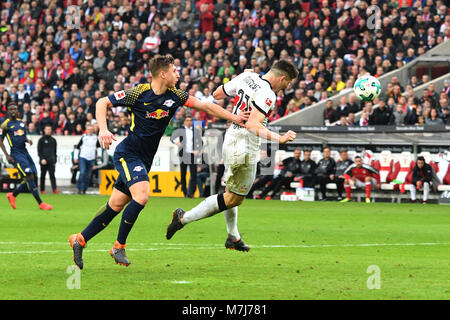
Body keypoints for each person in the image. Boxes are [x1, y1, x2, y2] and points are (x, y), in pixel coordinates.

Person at [69, 54, 248, 269]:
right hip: (128, 154)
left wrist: (234, 117)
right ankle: (118, 246)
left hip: (144, 160)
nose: (178, 73)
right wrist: (104, 130)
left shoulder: (176, 95)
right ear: (163, 74)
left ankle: (79, 239)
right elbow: (101, 102)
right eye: (174, 70)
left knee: (115, 205)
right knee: (142, 195)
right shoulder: (139, 92)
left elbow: (205, 106)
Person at [166, 60, 298, 251]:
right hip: (244, 145)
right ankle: (183, 217)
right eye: (287, 83)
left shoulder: (247, 76)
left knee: (232, 192)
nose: (286, 88)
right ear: (282, 77)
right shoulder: (268, 94)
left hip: (232, 138)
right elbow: (253, 125)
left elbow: (217, 94)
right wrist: (281, 138)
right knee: (233, 198)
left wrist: (242, 80)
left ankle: (233, 237)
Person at [0, 103, 52, 211]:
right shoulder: (5, 125)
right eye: (11, 109)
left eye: (15, 109)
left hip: (25, 152)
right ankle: (41, 203)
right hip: (16, 154)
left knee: (33, 175)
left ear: (17, 110)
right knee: (28, 176)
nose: (13, 111)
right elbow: (0, 140)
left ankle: (12, 195)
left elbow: (21, 134)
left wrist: (27, 140)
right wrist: (7, 155)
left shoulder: (21, 122)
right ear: (8, 111)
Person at [171, 115, 202, 198]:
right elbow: (172, 138)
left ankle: (191, 193)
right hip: (183, 154)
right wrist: (175, 142)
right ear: (184, 121)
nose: (189, 122)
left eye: (190, 120)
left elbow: (200, 141)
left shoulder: (195, 130)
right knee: (183, 174)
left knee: (193, 174)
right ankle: (185, 192)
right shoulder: (180, 130)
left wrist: (198, 150)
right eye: (187, 120)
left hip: (192, 154)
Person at [75, 124, 101, 194]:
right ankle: (79, 188)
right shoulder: (83, 137)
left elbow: (99, 147)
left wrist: (99, 156)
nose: (90, 131)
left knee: (88, 175)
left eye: (91, 129)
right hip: (83, 157)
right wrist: (75, 157)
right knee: (82, 172)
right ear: (86, 130)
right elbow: (77, 147)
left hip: (91, 158)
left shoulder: (95, 137)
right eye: (89, 129)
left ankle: (84, 189)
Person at [37, 124, 58, 194]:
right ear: (44, 130)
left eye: (50, 129)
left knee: (52, 176)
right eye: (47, 129)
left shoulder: (53, 140)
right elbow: (39, 151)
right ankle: (42, 190)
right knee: (43, 176)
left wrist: (55, 159)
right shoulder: (41, 140)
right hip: (43, 161)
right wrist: (42, 159)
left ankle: (55, 189)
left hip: (51, 161)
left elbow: (55, 151)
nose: (48, 131)